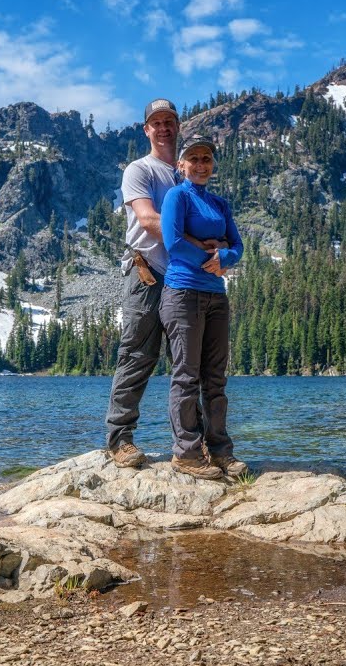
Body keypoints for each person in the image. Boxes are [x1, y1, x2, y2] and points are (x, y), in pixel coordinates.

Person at [159, 135, 246, 480]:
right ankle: (186, 453)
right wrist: (210, 258)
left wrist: (224, 255)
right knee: (186, 376)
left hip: (216, 297)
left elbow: (238, 246)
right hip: (182, 293)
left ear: (213, 165)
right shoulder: (176, 196)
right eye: (192, 158)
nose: (200, 164)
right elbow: (173, 242)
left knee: (215, 379)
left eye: (206, 159)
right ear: (181, 165)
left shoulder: (220, 204)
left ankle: (221, 451)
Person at [104, 98, 181, 468]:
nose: (163, 127)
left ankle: (189, 446)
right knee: (137, 355)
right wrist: (196, 242)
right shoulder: (139, 170)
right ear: (146, 129)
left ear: (177, 126)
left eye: (169, 121)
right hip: (146, 273)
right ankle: (120, 440)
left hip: (183, 278)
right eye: (156, 122)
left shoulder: (185, 172)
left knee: (186, 364)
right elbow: (149, 220)